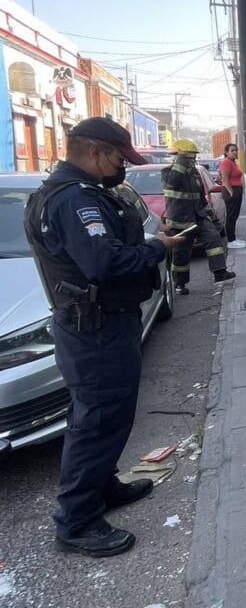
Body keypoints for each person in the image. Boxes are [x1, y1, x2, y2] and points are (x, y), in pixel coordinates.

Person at [23, 117, 186, 557]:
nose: (123, 168)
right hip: (95, 330)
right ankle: (77, 522)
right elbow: (105, 263)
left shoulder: (67, 194)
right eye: (118, 158)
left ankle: (102, 487)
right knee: (94, 424)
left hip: (96, 325)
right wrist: (157, 249)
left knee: (107, 418)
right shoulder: (76, 200)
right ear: (95, 151)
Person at [161, 139, 236, 294]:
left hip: (198, 216)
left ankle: (219, 272)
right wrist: (181, 162)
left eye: (194, 157)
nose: (193, 160)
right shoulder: (169, 172)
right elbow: (173, 184)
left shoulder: (194, 172)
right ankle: (180, 284)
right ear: (180, 156)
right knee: (182, 252)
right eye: (189, 157)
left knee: (213, 238)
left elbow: (200, 196)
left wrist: (209, 213)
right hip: (181, 219)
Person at [219, 143, 246, 249]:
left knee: (234, 216)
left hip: (236, 190)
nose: (235, 152)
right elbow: (225, 179)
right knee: (231, 216)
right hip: (231, 191)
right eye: (232, 150)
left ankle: (233, 238)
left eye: (236, 150)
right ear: (226, 152)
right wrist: (232, 193)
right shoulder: (226, 162)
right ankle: (230, 240)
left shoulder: (233, 163)